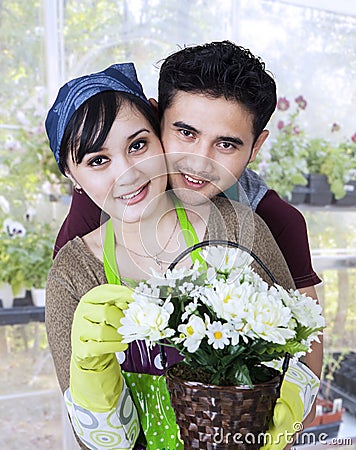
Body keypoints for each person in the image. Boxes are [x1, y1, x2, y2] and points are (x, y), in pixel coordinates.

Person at [45, 63, 304, 450]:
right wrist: (91, 371)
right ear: (71, 175)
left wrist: (290, 411)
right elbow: (98, 442)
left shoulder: (236, 228)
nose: (129, 174)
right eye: (98, 161)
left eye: (138, 145)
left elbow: (296, 344)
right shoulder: (73, 275)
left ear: (159, 136)